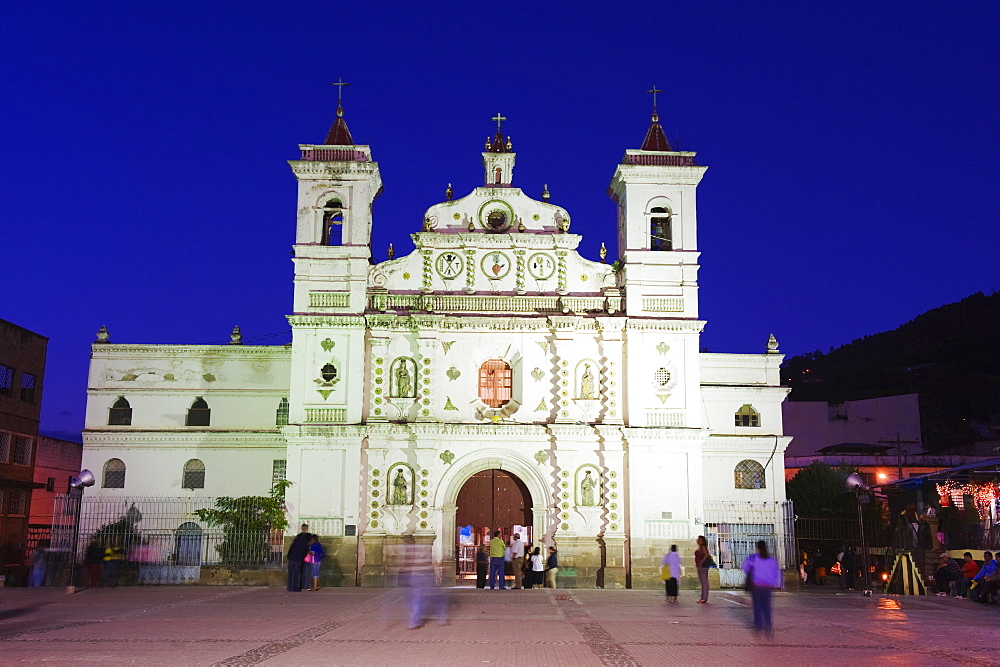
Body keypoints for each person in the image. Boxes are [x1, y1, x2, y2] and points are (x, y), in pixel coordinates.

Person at [742, 541, 782, 639]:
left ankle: (758, 627)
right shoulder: (772, 560)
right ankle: (768, 626)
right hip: (767, 587)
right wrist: (775, 583)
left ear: (757, 548)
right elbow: (777, 572)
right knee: (767, 607)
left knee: (757, 607)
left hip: (756, 586)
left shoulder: (753, 558)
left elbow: (745, 568)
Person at [286, 523, 311, 592]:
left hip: (292, 557)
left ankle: (290, 587)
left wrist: (289, 555)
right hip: (297, 558)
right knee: (296, 573)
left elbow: (291, 547)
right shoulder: (306, 539)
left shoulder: (297, 538)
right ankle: (295, 588)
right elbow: (305, 549)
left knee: (291, 573)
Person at [694, 535, 712, 603]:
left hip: (703, 567)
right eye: (698, 539)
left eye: (700, 540)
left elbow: (706, 554)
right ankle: (703, 597)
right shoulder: (700, 547)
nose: (698, 541)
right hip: (701, 566)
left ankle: (704, 598)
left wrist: (701, 563)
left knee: (704, 582)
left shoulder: (703, 547)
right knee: (703, 582)